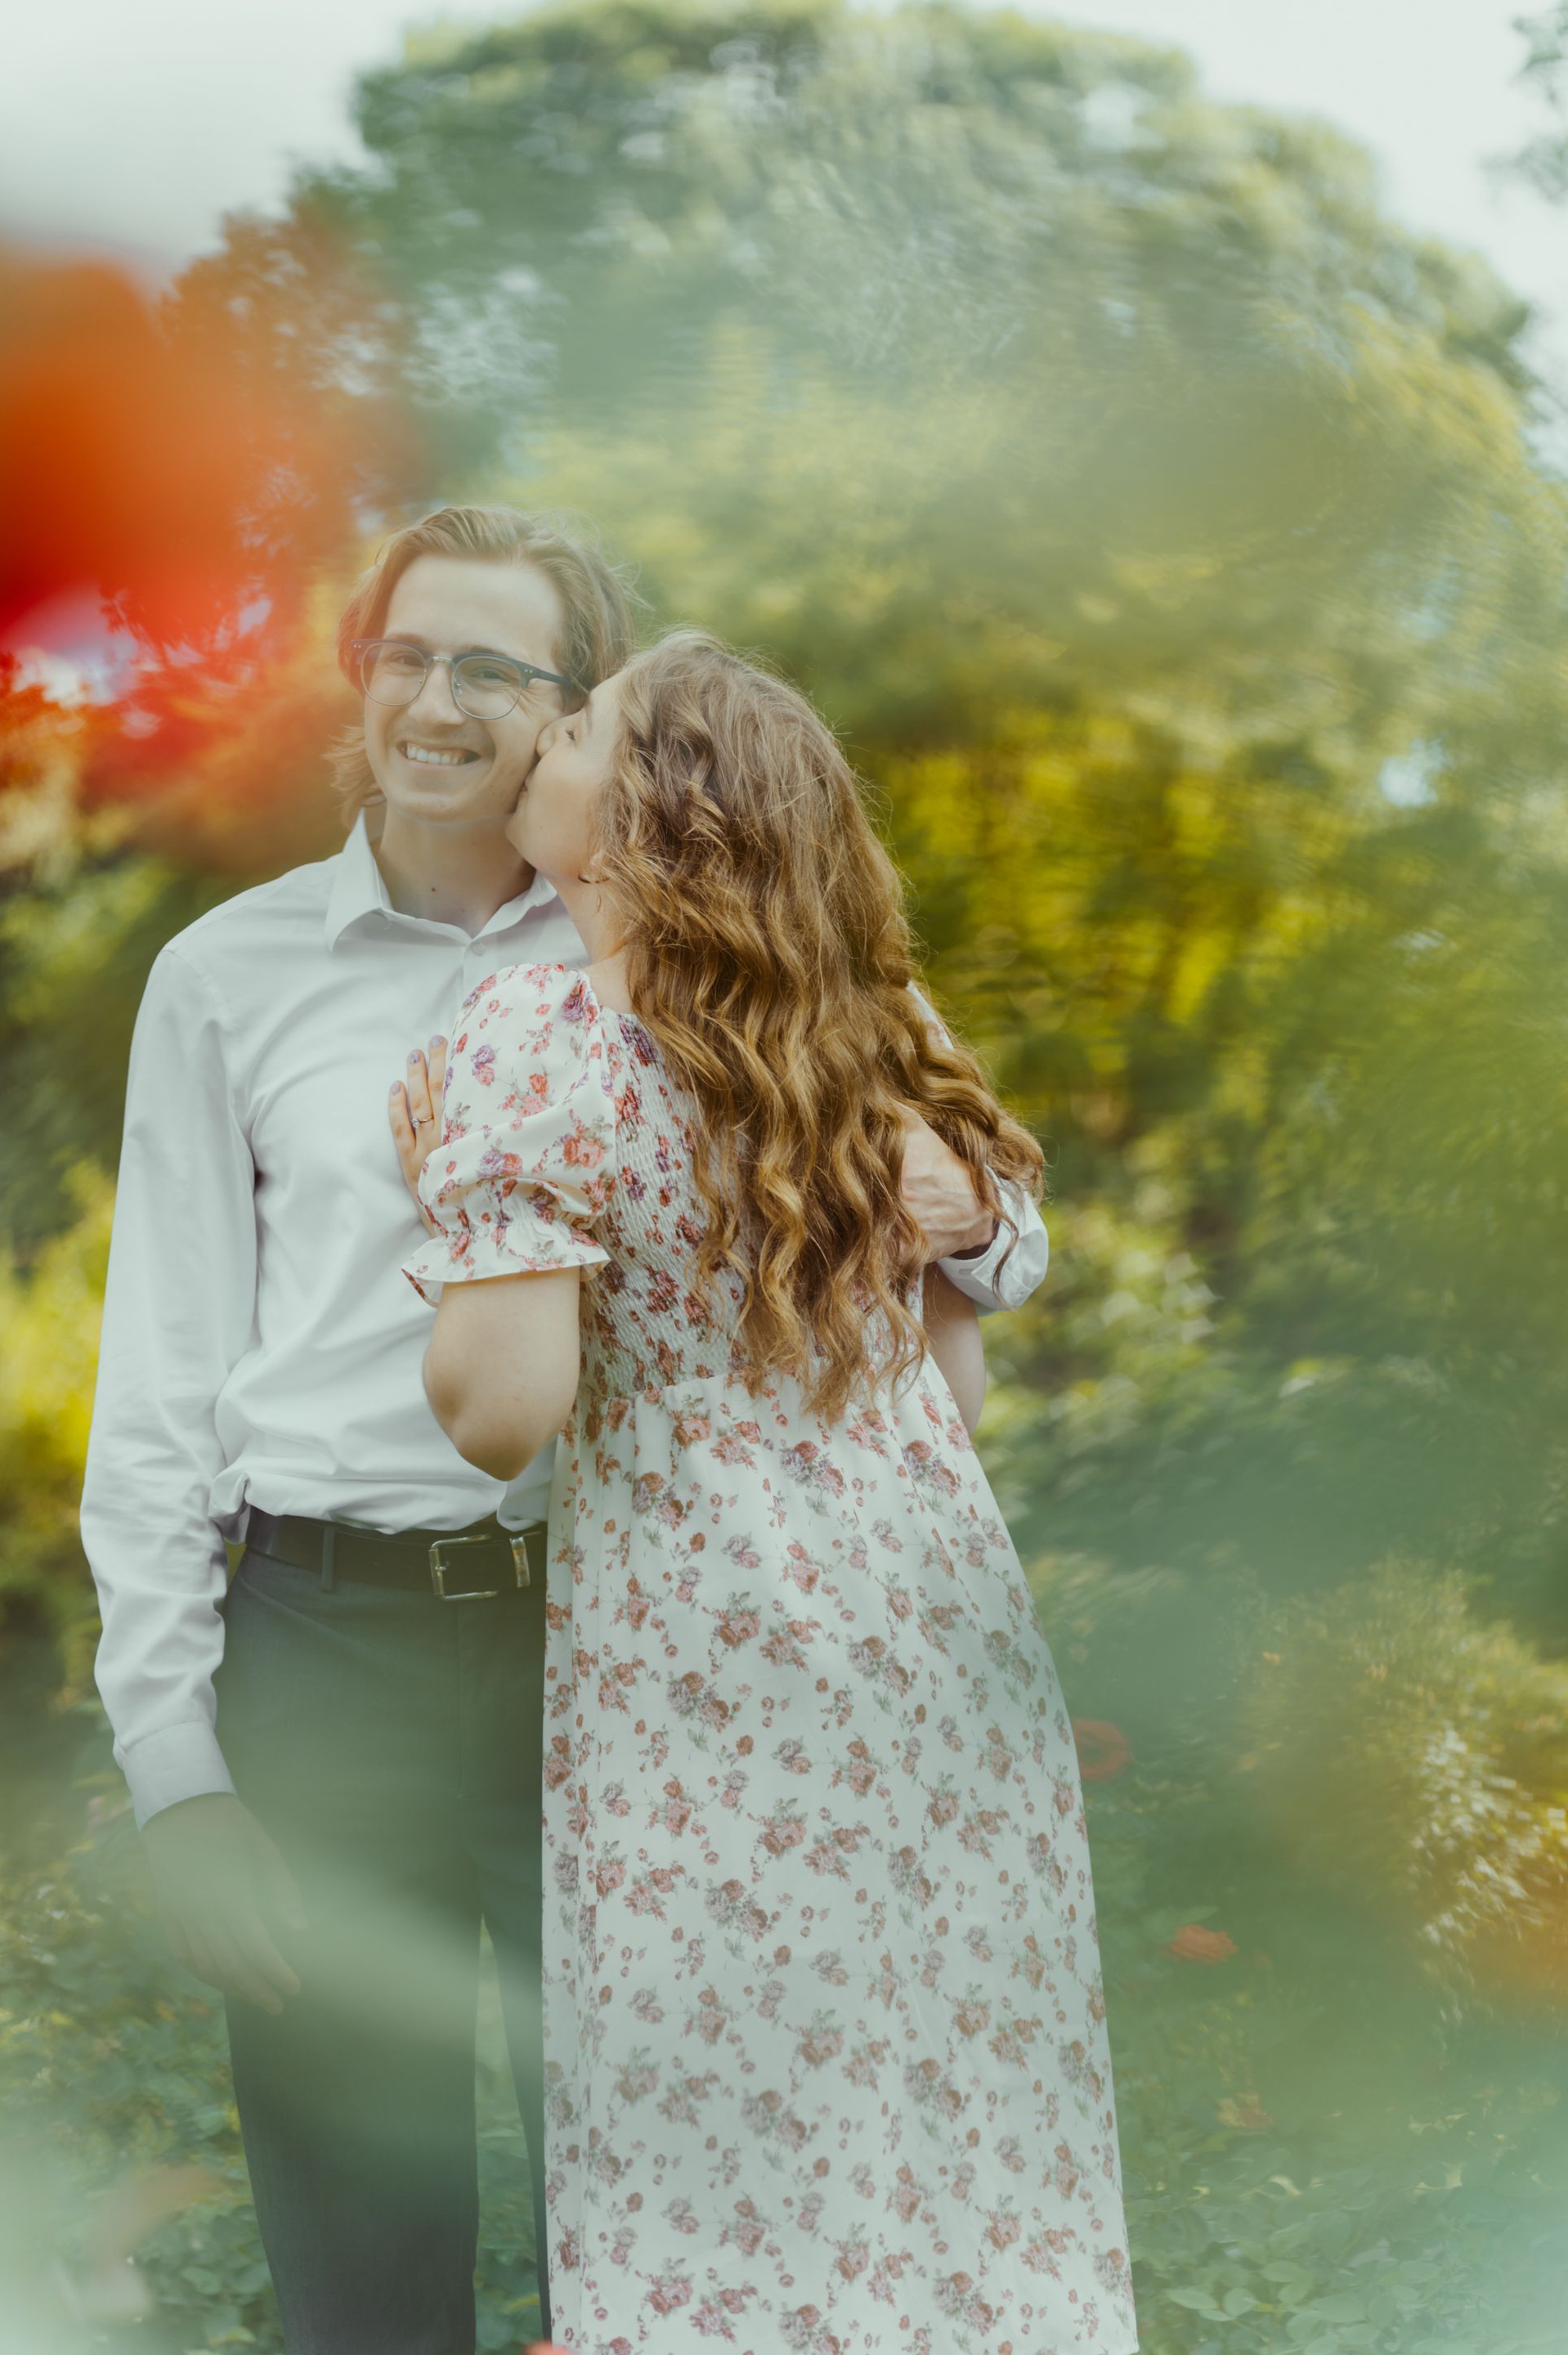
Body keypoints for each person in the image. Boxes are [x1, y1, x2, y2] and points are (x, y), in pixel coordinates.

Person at [78, 513, 1050, 2355]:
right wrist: (178, 1773)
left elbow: (914, 1221)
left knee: (669, 2210)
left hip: (617, 1645)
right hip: (327, 1643)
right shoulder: (227, 976)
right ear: (357, 673)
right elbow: (160, 1389)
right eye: (403, 654)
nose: (436, 702)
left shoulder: (695, 947)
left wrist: (974, 1226)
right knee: (358, 2243)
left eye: (496, 671)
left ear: (577, 715)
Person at [390, 630, 1138, 2353]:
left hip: (714, 1657)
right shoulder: (871, 1027)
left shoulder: (527, 1035)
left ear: (646, 817)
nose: (541, 744)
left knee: (725, 2153)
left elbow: (505, 1413)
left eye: (578, 727)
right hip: (939, 1627)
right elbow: (953, 1383)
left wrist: (452, 1190)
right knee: (950, 2122)